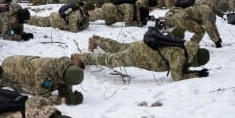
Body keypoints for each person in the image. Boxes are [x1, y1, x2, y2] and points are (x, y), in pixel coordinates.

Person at [71, 35, 210, 81]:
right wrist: (196, 75)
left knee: (119, 47)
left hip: (142, 46)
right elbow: (177, 77)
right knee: (111, 60)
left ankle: (98, 40)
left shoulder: (186, 46)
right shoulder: (179, 57)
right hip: (140, 56)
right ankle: (81, 57)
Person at [2, 55, 85, 105]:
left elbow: (65, 86)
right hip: (10, 69)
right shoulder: (43, 72)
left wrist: (70, 96)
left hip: (24, 61)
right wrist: (65, 100)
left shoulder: (66, 68)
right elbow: (42, 96)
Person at [27, 2, 94, 33]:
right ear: (87, 10)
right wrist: (81, 26)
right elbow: (73, 29)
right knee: (38, 21)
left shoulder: (82, 12)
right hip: (54, 21)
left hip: (57, 18)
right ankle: (26, 19)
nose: (93, 12)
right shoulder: (76, 14)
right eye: (91, 11)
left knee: (39, 19)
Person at [90, 0, 158, 26]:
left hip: (111, 15)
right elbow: (128, 23)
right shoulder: (130, 9)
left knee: (93, 13)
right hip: (108, 11)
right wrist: (139, 23)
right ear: (139, 12)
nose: (138, 18)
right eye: (139, 17)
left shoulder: (135, 9)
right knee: (90, 17)